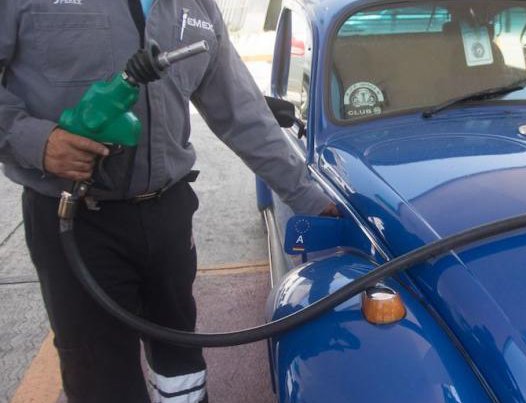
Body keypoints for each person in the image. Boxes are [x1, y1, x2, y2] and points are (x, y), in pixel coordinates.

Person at [0, 0, 336, 401]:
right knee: (98, 371)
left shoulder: (197, 8)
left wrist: (313, 200)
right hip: (76, 219)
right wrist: (35, 141)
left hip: (167, 214)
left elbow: (242, 113)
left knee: (180, 362)